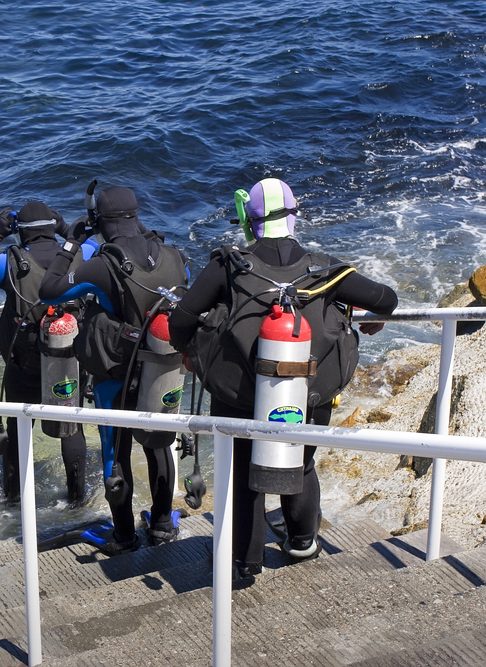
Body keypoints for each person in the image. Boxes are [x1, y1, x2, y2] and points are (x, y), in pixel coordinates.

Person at [168, 178, 398, 580]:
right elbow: (387, 299)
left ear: (248, 221)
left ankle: (245, 563)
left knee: (243, 475)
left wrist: (188, 353)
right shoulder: (324, 268)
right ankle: (302, 543)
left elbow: (181, 319)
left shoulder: (228, 266)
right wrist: (375, 318)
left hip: (241, 397)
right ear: (294, 217)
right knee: (303, 463)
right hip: (308, 394)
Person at [38, 185, 190, 554]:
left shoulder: (102, 265)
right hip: (161, 371)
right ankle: (162, 526)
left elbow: (49, 290)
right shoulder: (174, 256)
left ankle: (123, 537)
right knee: (159, 445)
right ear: (136, 214)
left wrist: (71, 243)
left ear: (97, 220)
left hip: (116, 378)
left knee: (114, 453)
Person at [0, 201, 88, 504]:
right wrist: (64, 228)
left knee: (18, 428)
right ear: (51, 227)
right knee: (72, 428)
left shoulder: (7, 262)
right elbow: (87, 240)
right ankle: (76, 499)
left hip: (24, 362)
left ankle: (15, 500)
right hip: (69, 359)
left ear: (20, 232)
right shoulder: (82, 255)